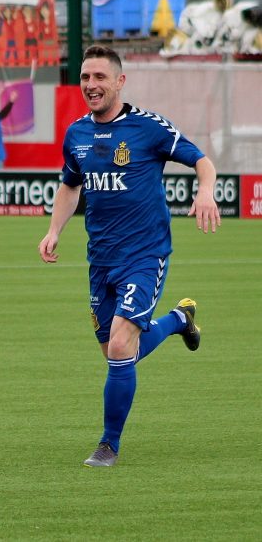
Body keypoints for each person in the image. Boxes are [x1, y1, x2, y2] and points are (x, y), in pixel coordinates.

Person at [38, 45, 221, 468]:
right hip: (100, 259)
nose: (91, 85)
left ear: (120, 81)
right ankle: (179, 320)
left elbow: (202, 161)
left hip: (145, 253)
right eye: (85, 78)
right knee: (118, 352)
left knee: (122, 345)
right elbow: (70, 186)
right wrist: (53, 231)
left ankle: (108, 445)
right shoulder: (77, 134)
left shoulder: (148, 128)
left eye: (100, 77)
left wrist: (206, 188)